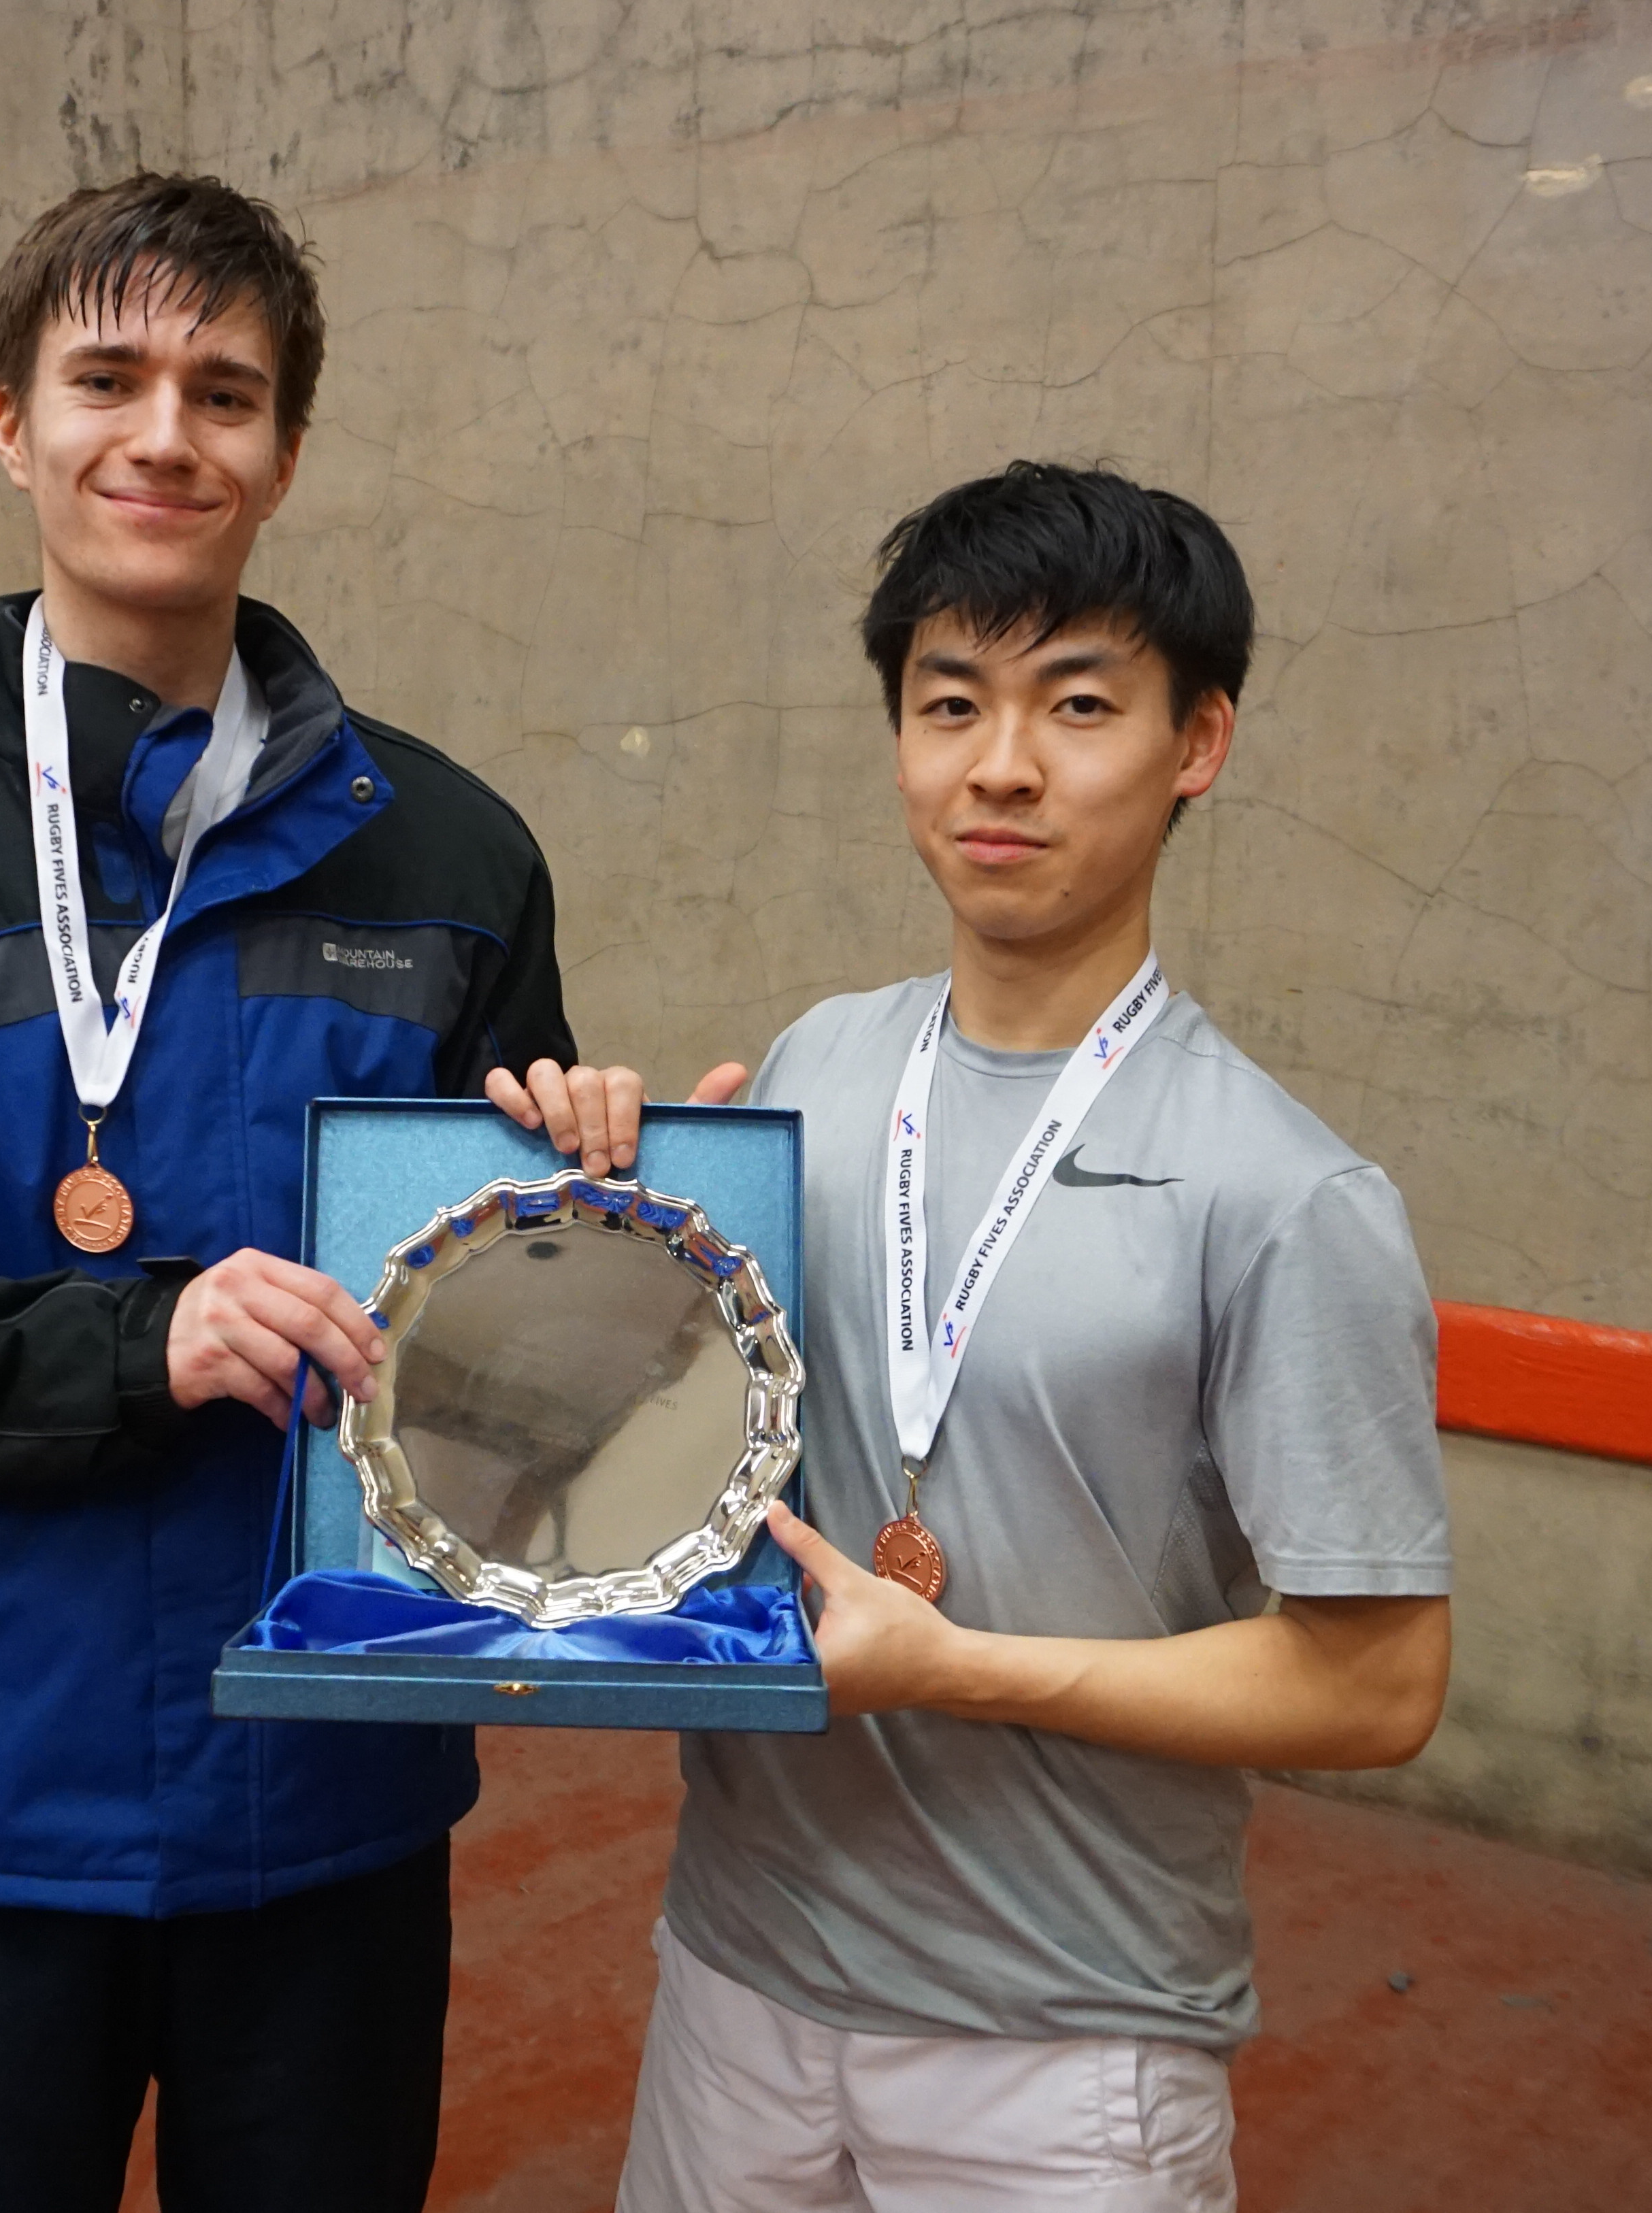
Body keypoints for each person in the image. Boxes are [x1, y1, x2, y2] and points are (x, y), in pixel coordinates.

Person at [0, 172, 717, 2213]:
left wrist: (618, 1224)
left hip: (333, 1796)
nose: (164, 435)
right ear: (10, 422)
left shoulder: (451, 860)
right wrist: (142, 1345)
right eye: (105, 377)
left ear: (284, 452)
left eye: (225, 392)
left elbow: (504, 1380)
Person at [616, 462, 1454, 2213]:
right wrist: (613, 1232)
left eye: (1077, 705)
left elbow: (1376, 1685)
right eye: (951, 704)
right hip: (739, 1974)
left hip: (1064, 2042)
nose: (1000, 765)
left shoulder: (1283, 1192)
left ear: (1196, 742)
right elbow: (705, 1459)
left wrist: (956, 1668)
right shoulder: (814, 1065)